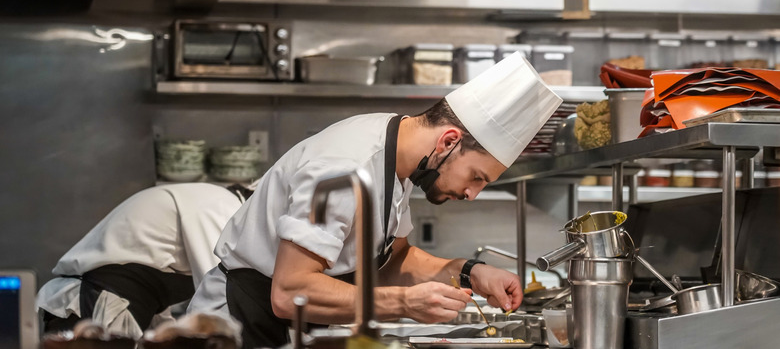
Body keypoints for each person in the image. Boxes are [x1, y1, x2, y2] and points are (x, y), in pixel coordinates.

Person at [188, 53, 563, 349]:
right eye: (477, 177)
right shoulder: (343, 169)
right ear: (448, 142)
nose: (471, 194)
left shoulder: (396, 160)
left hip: (284, 331)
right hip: (234, 329)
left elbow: (394, 260)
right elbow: (290, 293)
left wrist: (468, 271)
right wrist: (403, 303)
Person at [36, 182, 249, 339]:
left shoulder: (218, 203)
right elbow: (218, 298)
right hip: (96, 310)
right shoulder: (222, 207)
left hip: (122, 310)